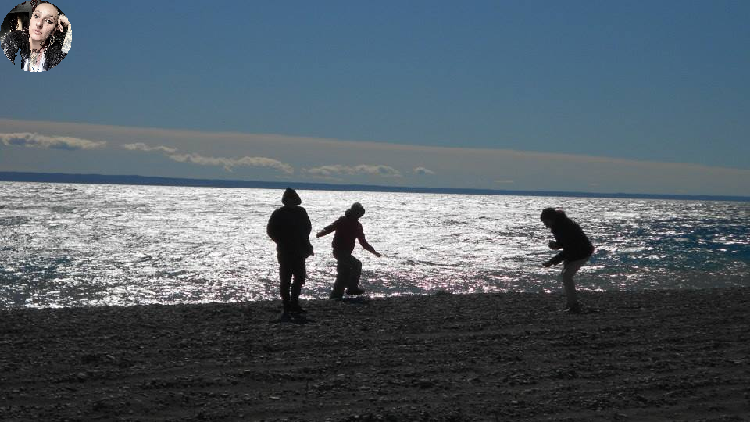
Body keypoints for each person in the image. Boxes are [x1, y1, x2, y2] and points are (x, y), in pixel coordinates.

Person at [316, 202, 381, 299]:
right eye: (357, 213)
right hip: (339, 251)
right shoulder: (343, 220)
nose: (358, 215)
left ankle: (336, 296)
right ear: (352, 212)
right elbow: (331, 228)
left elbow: (363, 242)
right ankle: (352, 288)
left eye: (360, 213)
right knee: (356, 265)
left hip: (346, 252)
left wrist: (374, 252)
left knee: (343, 273)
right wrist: (320, 234)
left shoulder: (358, 226)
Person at [266, 188, 313, 318]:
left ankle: (294, 303)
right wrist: (281, 240)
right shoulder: (279, 213)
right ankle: (286, 305)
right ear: (285, 201)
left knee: (299, 278)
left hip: (299, 250)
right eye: (288, 199)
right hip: (285, 251)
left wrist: (304, 240)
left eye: (292, 199)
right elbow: (270, 230)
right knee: (285, 279)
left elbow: (308, 227)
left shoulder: (301, 212)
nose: (290, 201)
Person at [540, 208, 595, 313]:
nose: (545, 225)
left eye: (546, 222)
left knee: (566, 276)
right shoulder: (559, 226)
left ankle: (574, 306)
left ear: (551, 219)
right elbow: (566, 244)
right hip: (574, 253)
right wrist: (556, 245)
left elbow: (569, 248)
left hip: (582, 253)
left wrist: (552, 261)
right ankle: (570, 304)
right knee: (566, 276)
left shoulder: (565, 227)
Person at [2, 1, 71, 72]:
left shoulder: (56, 51)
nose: (39, 23)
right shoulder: (13, 40)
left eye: (49, 21)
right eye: (36, 16)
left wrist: (70, 25)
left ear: (54, 30)